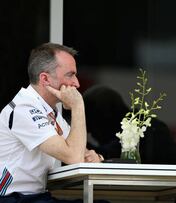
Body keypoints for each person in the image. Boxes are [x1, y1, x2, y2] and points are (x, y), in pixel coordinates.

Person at [0, 43, 105, 202]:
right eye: (70, 75)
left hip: (35, 197)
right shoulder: (24, 108)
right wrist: (77, 106)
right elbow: (74, 157)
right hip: (12, 198)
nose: (77, 84)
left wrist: (96, 157)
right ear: (45, 79)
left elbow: (80, 153)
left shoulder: (49, 111)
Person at [83, 85, 176, 164]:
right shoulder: (142, 122)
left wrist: (78, 144)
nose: (92, 134)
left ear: (104, 119)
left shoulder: (139, 127)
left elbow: (111, 155)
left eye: (92, 127)